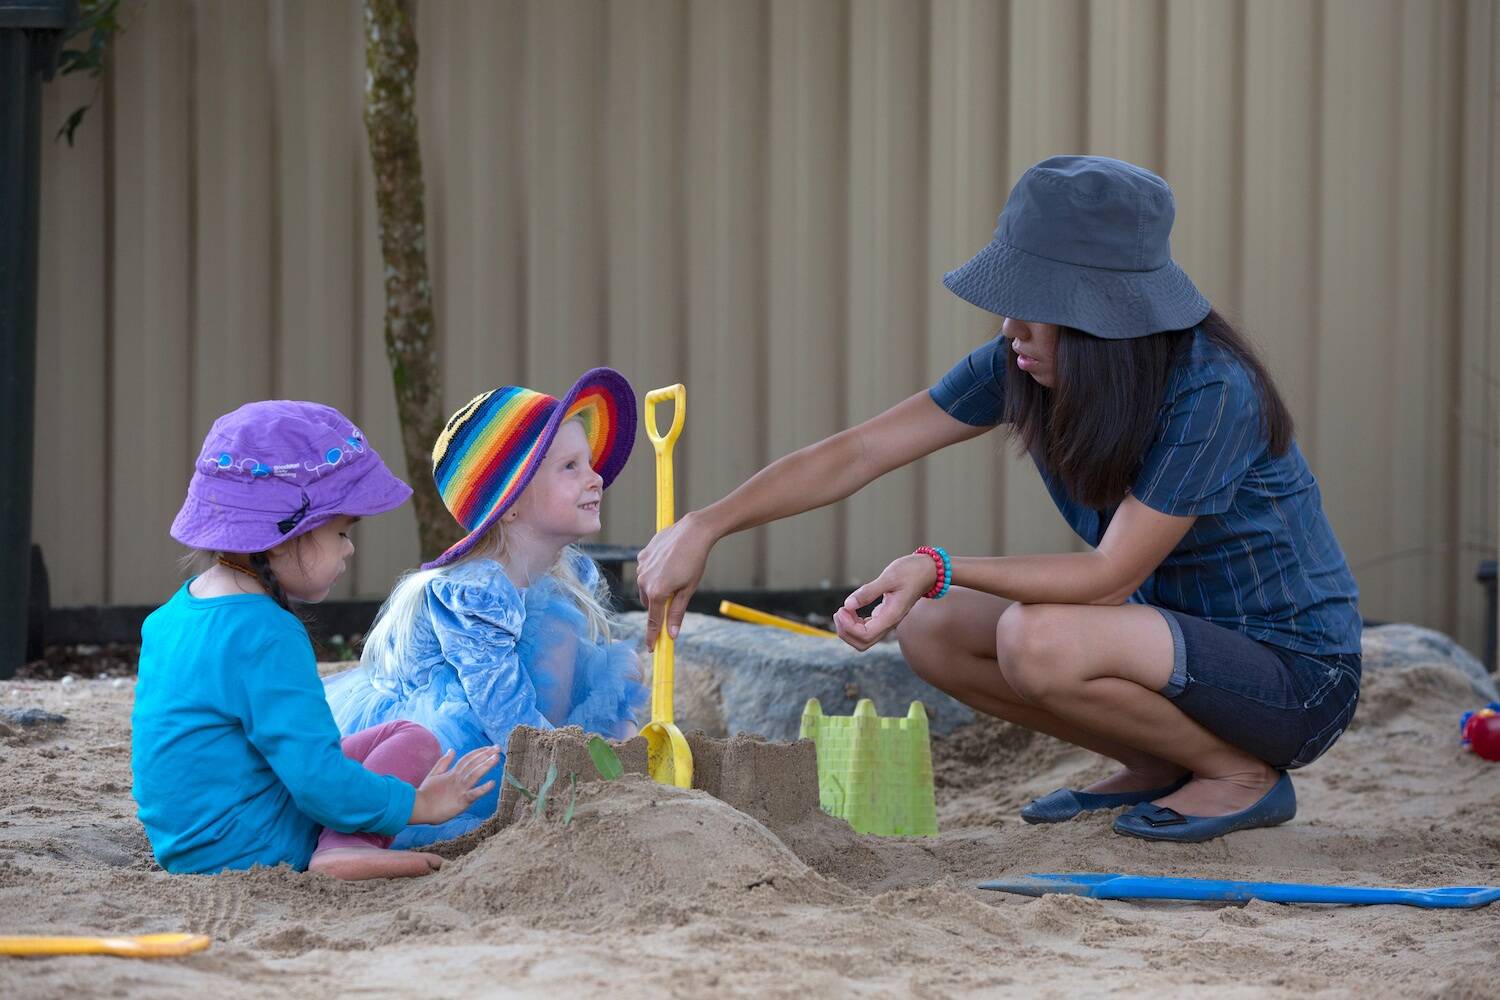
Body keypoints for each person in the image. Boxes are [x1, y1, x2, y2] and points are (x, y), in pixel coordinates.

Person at [636, 156, 1361, 843]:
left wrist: (937, 564)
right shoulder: (1022, 367)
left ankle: (1238, 775)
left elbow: (1109, 577)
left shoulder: (1213, 391)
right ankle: (1162, 764)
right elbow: (858, 452)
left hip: (1293, 676)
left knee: (1035, 638)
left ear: (1107, 314)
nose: (1011, 328)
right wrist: (708, 524)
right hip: (1165, 641)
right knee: (932, 626)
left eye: (1037, 306)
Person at [132, 401, 498, 879]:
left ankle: (345, 839)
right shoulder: (265, 633)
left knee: (402, 736)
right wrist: (420, 804)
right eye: (341, 531)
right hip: (252, 846)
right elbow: (316, 781)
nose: (349, 548)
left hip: (186, 842)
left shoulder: (170, 616)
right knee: (411, 743)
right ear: (285, 537)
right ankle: (345, 848)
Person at [325, 369, 647, 846]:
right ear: (511, 504)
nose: (595, 478)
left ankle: (629, 776)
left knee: (615, 665)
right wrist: (568, 768)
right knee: (554, 648)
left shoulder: (563, 575)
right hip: (453, 736)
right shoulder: (477, 592)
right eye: (570, 467)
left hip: (511, 715)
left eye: (589, 463)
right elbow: (504, 711)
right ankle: (570, 779)